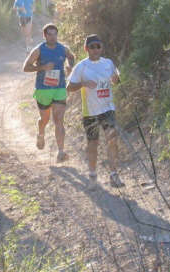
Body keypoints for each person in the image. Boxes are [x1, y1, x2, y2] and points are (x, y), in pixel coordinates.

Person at [67, 34, 125, 190]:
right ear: (86, 49)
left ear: (101, 48)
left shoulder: (108, 63)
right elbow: (69, 87)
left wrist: (116, 79)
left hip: (108, 109)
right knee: (93, 144)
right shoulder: (81, 66)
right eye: (92, 47)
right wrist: (83, 83)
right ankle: (92, 175)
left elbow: (117, 79)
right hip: (90, 112)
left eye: (98, 46)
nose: (95, 50)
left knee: (112, 138)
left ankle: (114, 175)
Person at [23, 24, 75, 163]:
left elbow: (71, 56)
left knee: (58, 120)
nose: (53, 37)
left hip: (59, 88)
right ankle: (40, 133)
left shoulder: (62, 48)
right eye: (50, 34)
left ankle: (61, 152)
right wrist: (42, 67)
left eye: (55, 34)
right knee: (44, 119)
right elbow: (25, 67)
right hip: (43, 89)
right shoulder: (38, 50)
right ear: (44, 36)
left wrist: (70, 66)